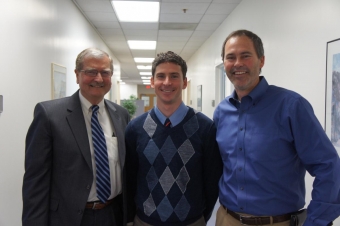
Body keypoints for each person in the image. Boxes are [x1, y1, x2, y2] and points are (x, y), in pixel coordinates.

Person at [214, 29, 340, 226]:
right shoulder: (221, 112)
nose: (237, 63)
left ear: (261, 61)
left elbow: (328, 166)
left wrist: (317, 221)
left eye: (245, 56)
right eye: (230, 57)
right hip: (226, 219)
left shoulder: (291, 106)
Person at [22, 48, 130, 226]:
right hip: (70, 217)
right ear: (77, 75)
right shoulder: (50, 115)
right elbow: (35, 181)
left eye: (105, 72)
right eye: (91, 72)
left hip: (113, 214)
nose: (98, 78)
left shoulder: (121, 115)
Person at [125, 51, 222, 226]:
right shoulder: (135, 128)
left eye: (174, 76)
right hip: (145, 222)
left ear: (184, 82)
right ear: (152, 81)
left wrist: (199, 218)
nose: (167, 82)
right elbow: (130, 180)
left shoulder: (205, 128)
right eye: (161, 76)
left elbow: (211, 183)